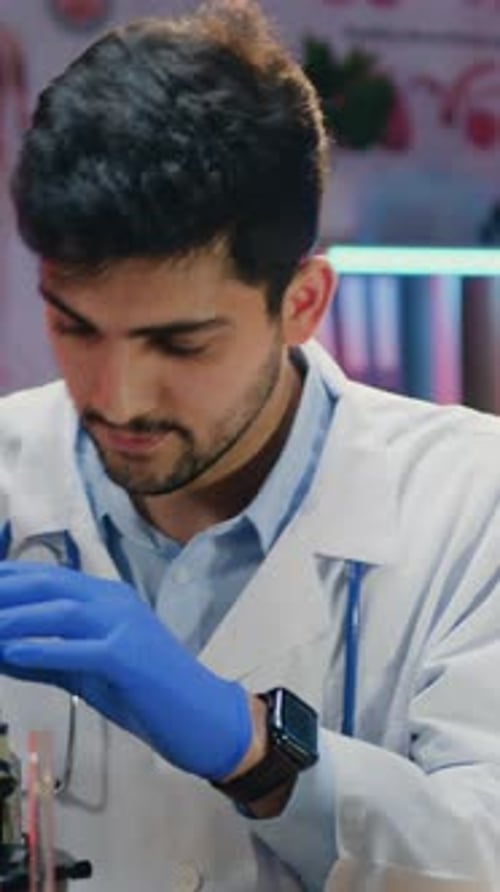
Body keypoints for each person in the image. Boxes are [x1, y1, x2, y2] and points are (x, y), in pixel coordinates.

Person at [0, 1, 499, 889]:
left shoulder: (472, 504)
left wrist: (255, 750)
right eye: (74, 327)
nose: (117, 398)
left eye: (181, 345)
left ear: (301, 303)